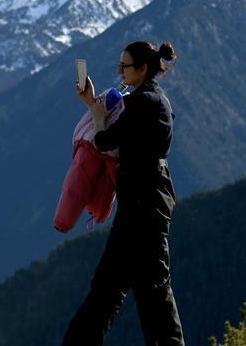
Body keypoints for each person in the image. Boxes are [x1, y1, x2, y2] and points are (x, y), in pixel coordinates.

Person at [61, 41, 185, 346]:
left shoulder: (143, 103)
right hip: (145, 204)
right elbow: (115, 134)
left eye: (124, 66)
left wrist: (97, 111)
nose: (119, 71)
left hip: (142, 206)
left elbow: (106, 140)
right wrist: (94, 106)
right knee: (140, 290)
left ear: (142, 69)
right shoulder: (152, 101)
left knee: (127, 289)